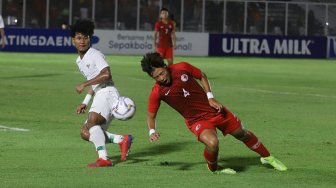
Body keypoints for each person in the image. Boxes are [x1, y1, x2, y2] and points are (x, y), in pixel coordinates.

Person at [140, 52, 287, 174]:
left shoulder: (182, 67)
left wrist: (210, 97)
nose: (161, 78)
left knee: (242, 134)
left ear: (165, 66)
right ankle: (214, 168)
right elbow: (151, 116)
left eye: (161, 73)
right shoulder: (157, 92)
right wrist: (152, 131)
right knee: (212, 143)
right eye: (156, 77)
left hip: (214, 110)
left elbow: (201, 75)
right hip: (197, 121)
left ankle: (268, 157)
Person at [70, 20, 133, 167]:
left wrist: (84, 84)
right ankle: (120, 140)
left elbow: (106, 75)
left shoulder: (94, 54)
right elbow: (94, 82)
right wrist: (85, 101)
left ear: (90, 39)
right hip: (101, 93)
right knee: (85, 133)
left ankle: (104, 158)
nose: (83, 41)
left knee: (92, 122)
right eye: (79, 38)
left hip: (108, 92)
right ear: (73, 40)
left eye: (86, 37)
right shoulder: (79, 61)